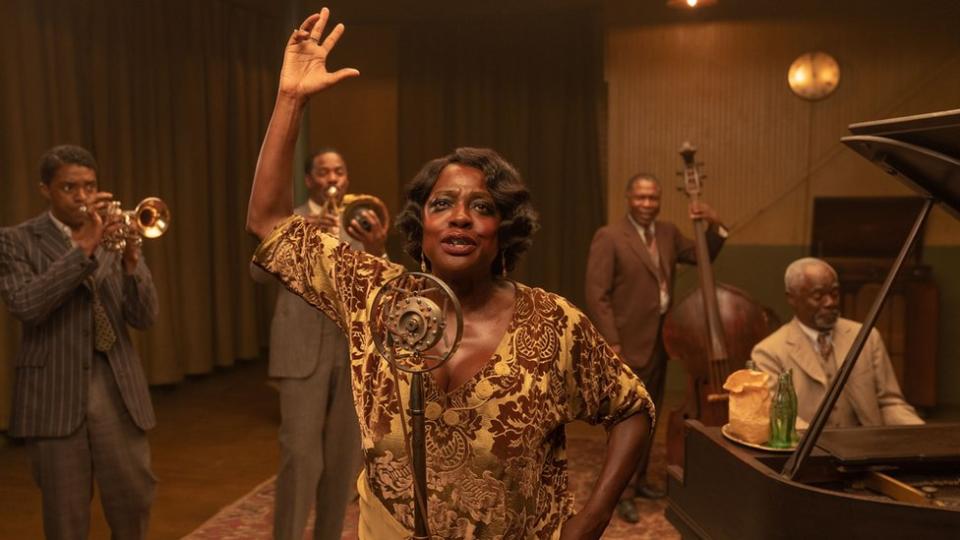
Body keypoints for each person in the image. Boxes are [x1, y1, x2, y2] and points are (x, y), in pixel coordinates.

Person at [246, 9, 654, 539]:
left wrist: (594, 516)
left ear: (503, 231)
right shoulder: (377, 297)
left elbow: (632, 409)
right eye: (443, 203)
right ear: (422, 226)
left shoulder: (552, 323)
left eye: (481, 206)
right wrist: (291, 100)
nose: (460, 215)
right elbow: (269, 221)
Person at [0, 145, 159, 539]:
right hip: (54, 392)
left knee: (133, 502)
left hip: (117, 389)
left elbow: (145, 317)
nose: (83, 197)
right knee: (66, 518)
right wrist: (83, 247)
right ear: (46, 190)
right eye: (69, 187)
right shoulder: (16, 241)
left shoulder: (115, 234)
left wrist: (132, 260)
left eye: (89, 186)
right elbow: (26, 304)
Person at [584, 172, 726, 520]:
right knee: (628, 421)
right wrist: (612, 343)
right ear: (628, 199)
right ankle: (623, 492)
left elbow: (701, 256)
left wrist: (714, 224)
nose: (647, 204)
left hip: (663, 342)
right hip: (627, 346)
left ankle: (642, 479)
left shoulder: (668, 233)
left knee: (651, 417)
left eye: (653, 198)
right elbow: (596, 294)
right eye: (641, 198)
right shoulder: (610, 236)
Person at [269, 147, 387, 540]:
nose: (332, 178)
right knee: (299, 458)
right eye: (323, 172)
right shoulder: (289, 222)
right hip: (300, 350)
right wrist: (300, 239)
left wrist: (375, 246)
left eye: (339, 170)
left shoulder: (363, 220)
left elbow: (379, 281)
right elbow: (258, 275)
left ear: (347, 177)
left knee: (342, 461)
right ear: (309, 180)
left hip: (351, 352)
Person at [751, 257, 924, 428]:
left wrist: (921, 433)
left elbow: (889, 404)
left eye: (834, 294)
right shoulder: (768, 352)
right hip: (808, 451)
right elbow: (780, 418)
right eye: (818, 296)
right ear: (792, 298)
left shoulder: (866, 337)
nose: (830, 303)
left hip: (865, 447)